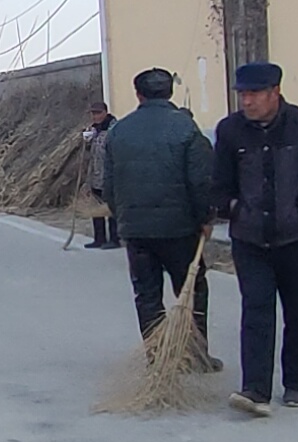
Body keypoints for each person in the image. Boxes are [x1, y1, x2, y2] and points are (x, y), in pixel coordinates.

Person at [208, 59, 298, 414]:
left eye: (254, 94)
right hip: (250, 239)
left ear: (275, 92)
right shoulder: (230, 131)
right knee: (256, 311)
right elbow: (218, 183)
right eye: (242, 94)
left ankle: (297, 383)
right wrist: (232, 208)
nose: (247, 101)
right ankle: (255, 390)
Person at [104, 68, 213, 344]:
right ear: (170, 92)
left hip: (136, 230)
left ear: (138, 94)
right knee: (191, 290)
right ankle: (194, 352)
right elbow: (201, 181)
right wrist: (205, 218)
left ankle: (156, 354)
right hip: (180, 229)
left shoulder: (119, 131)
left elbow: (109, 186)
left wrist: (124, 217)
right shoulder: (186, 127)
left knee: (147, 295)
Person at [81, 102, 119, 249]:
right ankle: (99, 238)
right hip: (95, 175)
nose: (95, 116)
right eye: (93, 113)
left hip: (110, 176)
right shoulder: (93, 130)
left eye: (98, 113)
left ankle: (115, 239)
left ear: (105, 112)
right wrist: (86, 141)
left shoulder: (114, 129)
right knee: (96, 209)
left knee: (111, 209)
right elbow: (89, 154)